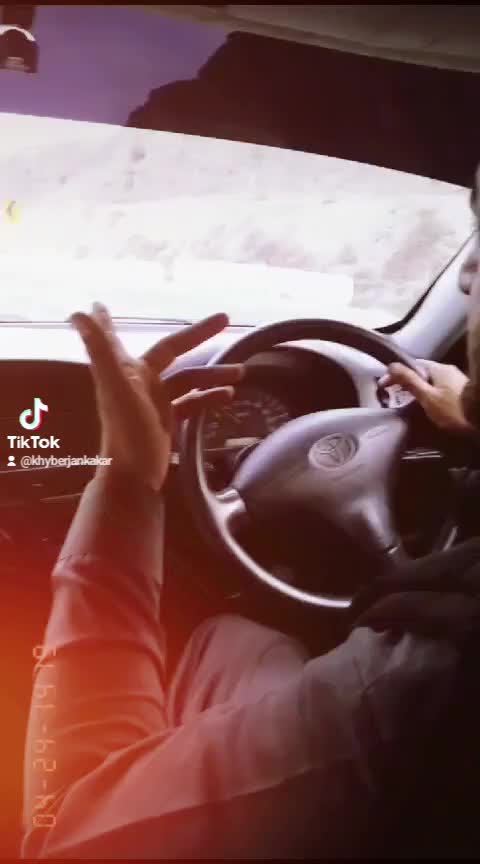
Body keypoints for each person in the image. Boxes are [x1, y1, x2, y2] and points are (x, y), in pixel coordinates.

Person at [21, 181, 480, 859]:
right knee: (233, 638)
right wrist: (471, 418)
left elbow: (68, 832)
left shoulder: (422, 681)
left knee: (212, 642)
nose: (466, 272)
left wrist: (126, 482)